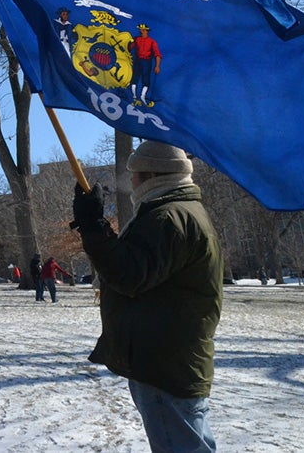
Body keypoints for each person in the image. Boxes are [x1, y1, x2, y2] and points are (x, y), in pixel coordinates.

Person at [72, 139, 222, 452]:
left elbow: (129, 274)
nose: (131, 182)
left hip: (164, 365)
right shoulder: (175, 212)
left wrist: (93, 225)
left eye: (134, 175)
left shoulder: (169, 218)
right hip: (169, 361)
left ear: (152, 175)